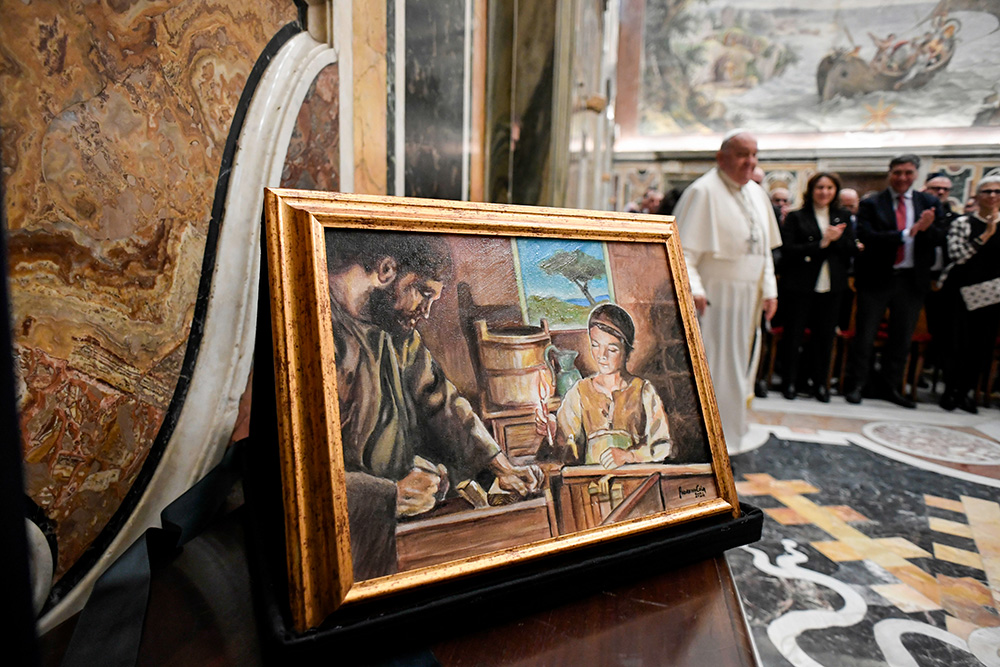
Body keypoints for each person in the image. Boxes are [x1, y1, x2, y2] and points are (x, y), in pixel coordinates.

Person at [325, 230, 543, 578]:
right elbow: (307, 474)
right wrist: (389, 495)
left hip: (398, 530)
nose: (426, 312)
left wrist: (501, 466)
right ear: (386, 270)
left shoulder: (396, 330)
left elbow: (441, 400)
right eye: (423, 293)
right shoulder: (318, 329)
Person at [672, 130, 781, 452]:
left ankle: (734, 429)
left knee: (741, 366)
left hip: (749, 296)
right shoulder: (702, 192)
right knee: (715, 366)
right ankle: (709, 439)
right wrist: (694, 289)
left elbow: (764, 254)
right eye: (742, 154)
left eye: (755, 155)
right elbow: (683, 251)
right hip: (715, 298)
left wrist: (770, 291)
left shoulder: (757, 194)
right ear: (722, 158)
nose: (750, 162)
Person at [845, 154, 946, 407]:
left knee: (901, 338)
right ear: (890, 173)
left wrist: (927, 228)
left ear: (916, 175)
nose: (902, 177)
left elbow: (940, 238)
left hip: (911, 280)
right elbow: (867, 235)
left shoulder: (929, 202)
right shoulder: (872, 203)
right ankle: (857, 384)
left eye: (908, 173)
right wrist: (904, 234)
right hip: (877, 278)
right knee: (865, 336)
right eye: (898, 172)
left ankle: (892, 387)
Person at [537, 304, 672, 468]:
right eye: (595, 345)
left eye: (612, 349)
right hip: (591, 483)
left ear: (627, 351)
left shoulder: (644, 390)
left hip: (637, 481)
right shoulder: (580, 391)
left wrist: (630, 456)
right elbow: (565, 441)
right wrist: (552, 428)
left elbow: (662, 445)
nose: (602, 356)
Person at [778, 172, 857, 402]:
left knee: (824, 338)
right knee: (794, 335)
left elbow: (851, 249)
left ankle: (820, 384)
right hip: (801, 285)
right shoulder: (796, 217)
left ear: (835, 192)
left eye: (829, 188)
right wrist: (821, 243)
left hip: (832, 286)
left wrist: (837, 239)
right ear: (811, 190)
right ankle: (790, 382)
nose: (824, 192)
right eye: (820, 187)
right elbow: (789, 251)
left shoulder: (843, 216)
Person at [938, 176, 1000, 413]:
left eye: (997, 191)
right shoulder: (963, 223)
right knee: (955, 343)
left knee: (981, 346)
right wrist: (986, 234)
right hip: (960, 291)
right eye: (987, 191)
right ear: (977, 196)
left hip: (992, 295)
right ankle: (950, 390)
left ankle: (967, 392)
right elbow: (958, 256)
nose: (992, 196)